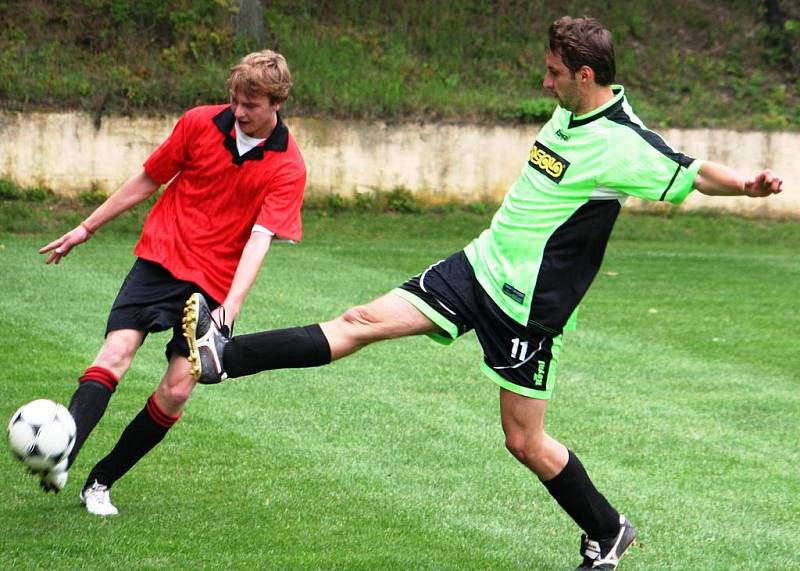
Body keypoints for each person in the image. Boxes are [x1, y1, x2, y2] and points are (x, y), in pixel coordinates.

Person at [183, 17, 783, 571]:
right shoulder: (565, 115)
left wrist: (749, 188)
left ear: (585, 75)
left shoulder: (623, 142)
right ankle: (220, 357)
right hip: (477, 266)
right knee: (361, 319)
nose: (543, 80)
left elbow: (693, 169)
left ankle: (607, 529)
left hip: (527, 308)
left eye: (553, 72)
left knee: (523, 441)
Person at [36, 50, 307, 516]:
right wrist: (86, 228)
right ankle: (63, 452)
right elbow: (148, 179)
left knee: (178, 389)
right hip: (160, 258)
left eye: (251, 105)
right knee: (114, 354)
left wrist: (229, 311)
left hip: (213, 285)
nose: (239, 112)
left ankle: (100, 481)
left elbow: (259, 241)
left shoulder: (288, 166)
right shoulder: (199, 122)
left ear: (276, 102)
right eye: (236, 100)